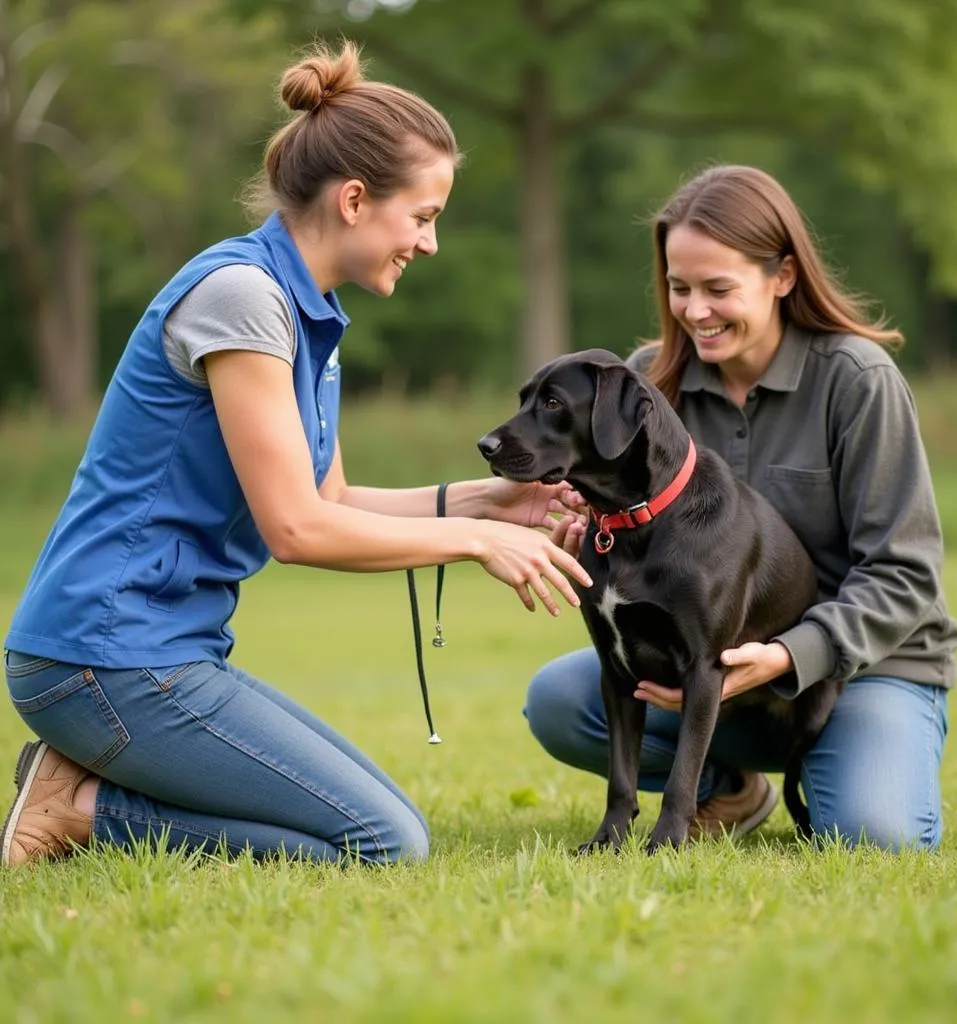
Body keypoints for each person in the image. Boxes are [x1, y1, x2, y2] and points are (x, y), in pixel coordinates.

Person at [0, 40, 592, 870]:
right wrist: (478, 542)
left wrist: (487, 502)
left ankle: (81, 786)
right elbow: (297, 529)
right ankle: (83, 808)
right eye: (421, 218)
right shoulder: (243, 298)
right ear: (354, 199)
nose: (428, 244)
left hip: (162, 654)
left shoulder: (305, 310)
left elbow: (333, 496)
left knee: (385, 823)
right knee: (384, 841)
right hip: (103, 656)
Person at [529, 164, 957, 851]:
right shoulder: (647, 384)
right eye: (678, 288)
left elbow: (906, 575)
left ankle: (842, 765)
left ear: (782, 276)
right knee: (560, 701)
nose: (694, 311)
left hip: (860, 671)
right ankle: (726, 791)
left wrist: (791, 656)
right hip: (707, 673)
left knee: (878, 834)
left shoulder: (858, 382)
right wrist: (594, 521)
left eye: (717, 289)